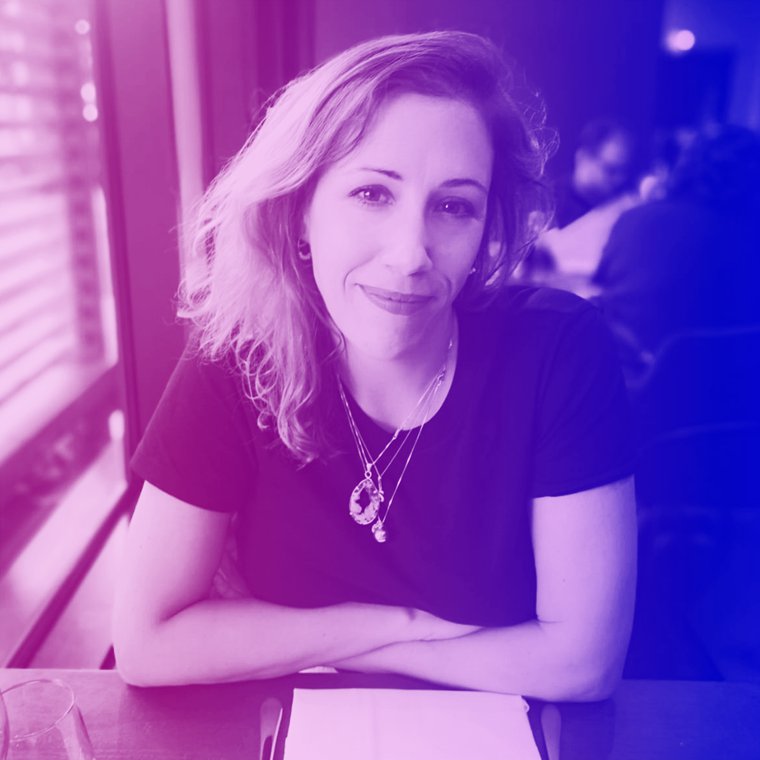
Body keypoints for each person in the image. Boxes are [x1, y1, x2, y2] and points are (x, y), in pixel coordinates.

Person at [112, 31, 637, 702]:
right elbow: (147, 643)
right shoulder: (235, 359)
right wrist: (394, 626)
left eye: (453, 206)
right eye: (371, 194)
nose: (410, 253)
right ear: (301, 209)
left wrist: (311, 642)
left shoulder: (558, 352)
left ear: (483, 233)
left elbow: (581, 665)